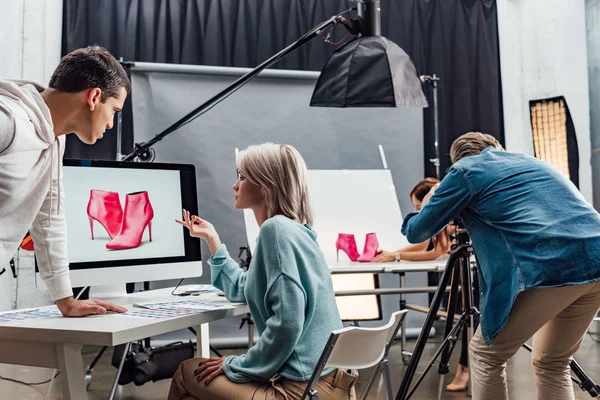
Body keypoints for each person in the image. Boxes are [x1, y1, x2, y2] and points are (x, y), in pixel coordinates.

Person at [402, 132, 600, 400]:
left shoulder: (464, 171)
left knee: (486, 355)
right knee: (552, 362)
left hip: (551, 266)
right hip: (595, 259)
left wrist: (427, 202)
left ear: (457, 159)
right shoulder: (533, 162)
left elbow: (418, 231)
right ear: (498, 148)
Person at [169, 143, 357, 400]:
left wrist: (237, 364)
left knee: (187, 372)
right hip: (332, 383)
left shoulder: (275, 231)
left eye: (242, 177)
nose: (235, 186)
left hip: (303, 391)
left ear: (264, 188)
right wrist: (212, 239)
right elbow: (245, 287)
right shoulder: (297, 231)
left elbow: (288, 324)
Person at [0, 45, 128, 317]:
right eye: (114, 111)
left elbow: (49, 218)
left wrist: (66, 300)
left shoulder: (55, 140)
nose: (111, 125)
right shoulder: (8, 122)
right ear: (94, 97)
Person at [372, 178, 469, 392]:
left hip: (473, 273)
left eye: (419, 207)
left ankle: (465, 369)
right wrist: (392, 253)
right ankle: (465, 369)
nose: (418, 212)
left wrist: (396, 256)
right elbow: (424, 242)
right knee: (465, 320)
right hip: (463, 271)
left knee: (468, 321)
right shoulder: (442, 218)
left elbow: (436, 252)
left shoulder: (449, 217)